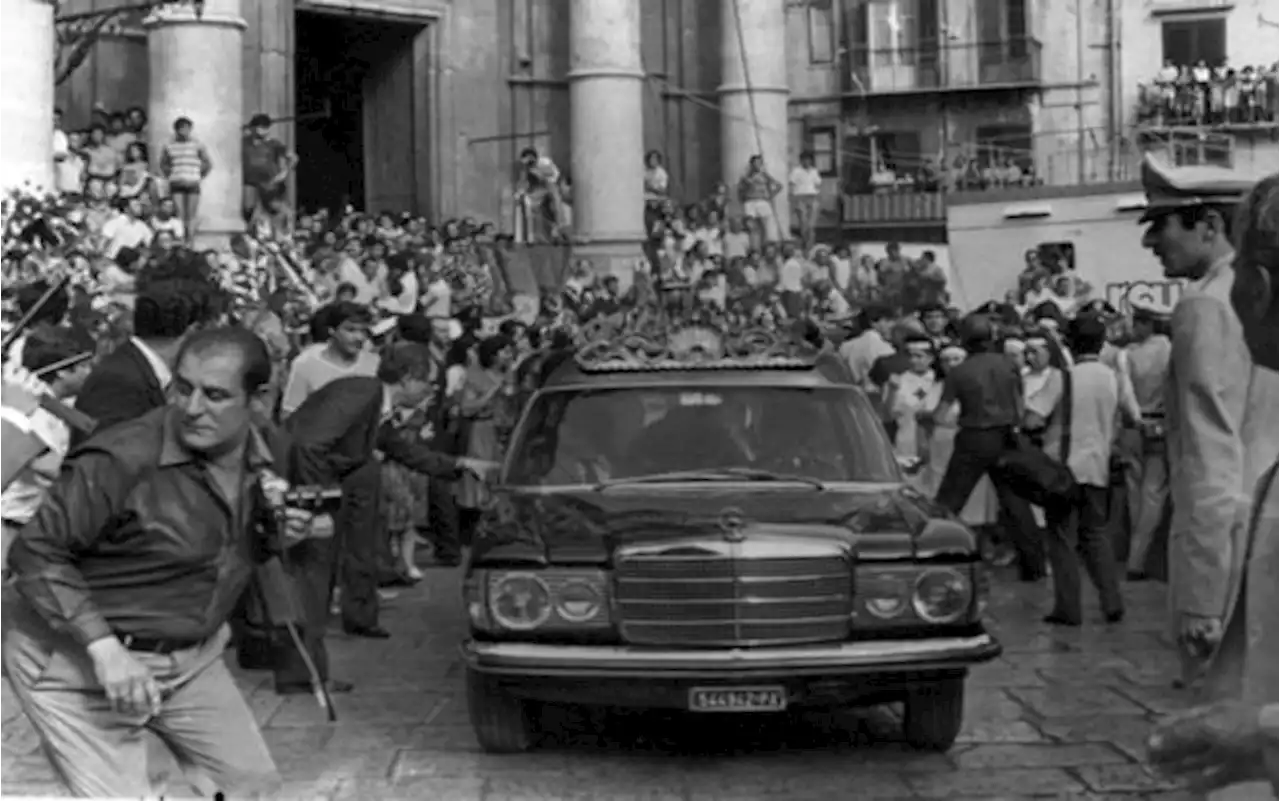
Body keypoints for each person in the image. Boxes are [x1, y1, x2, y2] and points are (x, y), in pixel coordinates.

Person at [1, 327, 324, 797]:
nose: (192, 408)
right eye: (183, 388)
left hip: (188, 657)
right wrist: (105, 649)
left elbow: (218, 549)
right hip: (73, 660)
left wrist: (273, 534)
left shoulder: (265, 447)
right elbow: (37, 552)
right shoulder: (122, 457)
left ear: (257, 399)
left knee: (252, 786)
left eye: (214, 395)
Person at [1146, 172, 1280, 799]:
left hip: (1237, 547)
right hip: (1258, 525)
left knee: (1229, 746)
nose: (1152, 241)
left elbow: (1208, 449)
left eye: (1162, 224)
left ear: (1209, 226)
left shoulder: (1205, 306)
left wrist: (1200, 589)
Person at [261, 343, 494, 696]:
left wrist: (459, 466)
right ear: (409, 379)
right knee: (311, 582)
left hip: (317, 492)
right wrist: (313, 507)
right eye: (428, 384)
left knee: (317, 584)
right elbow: (308, 443)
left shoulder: (373, 404)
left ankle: (305, 670)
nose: (431, 392)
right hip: (305, 495)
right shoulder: (361, 392)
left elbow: (401, 448)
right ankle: (301, 674)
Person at [931, 313, 1045, 582]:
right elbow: (1019, 404)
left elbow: (940, 415)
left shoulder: (960, 372)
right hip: (1006, 436)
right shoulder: (1008, 365)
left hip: (973, 437)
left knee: (948, 502)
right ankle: (1034, 566)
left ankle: (933, 556)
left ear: (964, 341)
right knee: (1015, 503)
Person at [73, 255, 221, 444]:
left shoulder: (146, 374)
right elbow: (107, 464)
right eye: (213, 335)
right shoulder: (118, 383)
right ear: (194, 331)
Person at [1041, 314, 1125, 626]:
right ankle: (1111, 600)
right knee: (1096, 533)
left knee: (1062, 537)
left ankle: (1068, 608)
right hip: (1097, 464)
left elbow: (1034, 415)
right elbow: (1129, 413)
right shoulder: (1113, 376)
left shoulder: (1063, 377)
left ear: (1069, 343)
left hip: (1062, 468)